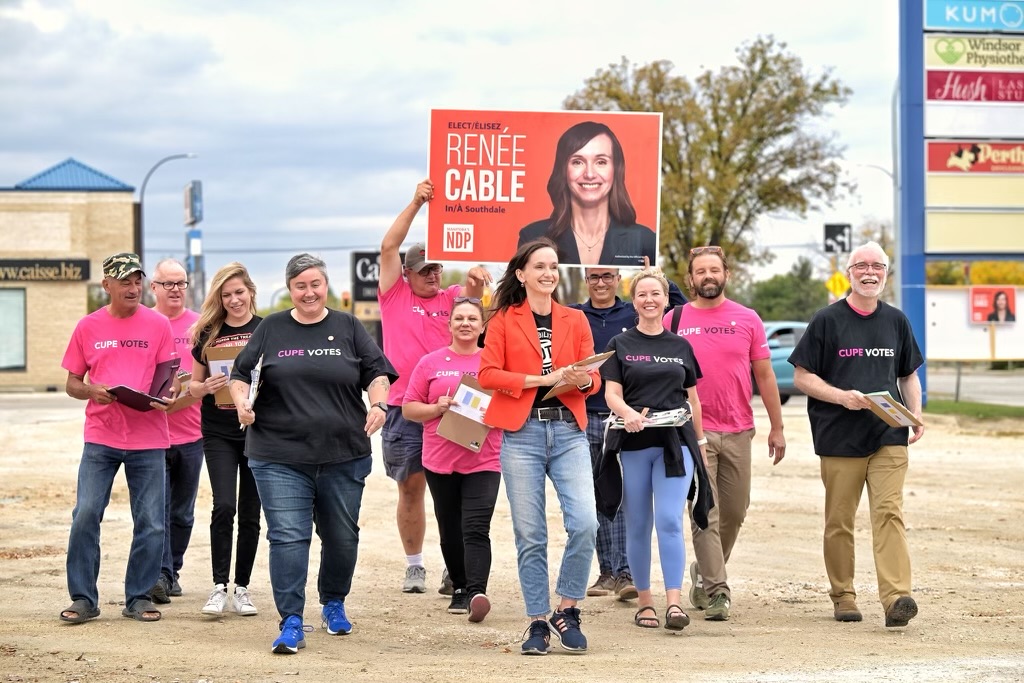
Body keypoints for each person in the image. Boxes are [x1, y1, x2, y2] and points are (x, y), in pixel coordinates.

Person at [230, 253, 396, 654]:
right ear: (290, 290)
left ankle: (333, 602)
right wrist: (241, 404)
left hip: (343, 454)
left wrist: (378, 405)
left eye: (315, 284)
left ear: (325, 286)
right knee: (288, 537)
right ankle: (291, 620)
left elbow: (377, 373)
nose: (309, 292)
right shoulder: (271, 328)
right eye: (300, 285)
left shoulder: (348, 325)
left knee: (342, 537)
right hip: (278, 454)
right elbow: (239, 375)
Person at [788, 241, 924, 628]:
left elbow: (908, 374)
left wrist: (914, 415)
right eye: (861, 266)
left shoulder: (896, 321)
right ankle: (843, 595)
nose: (870, 273)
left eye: (877, 266)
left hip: (888, 434)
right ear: (849, 273)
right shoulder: (827, 320)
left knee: (889, 513)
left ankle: (897, 597)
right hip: (839, 436)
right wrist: (840, 397)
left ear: (886, 273)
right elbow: (802, 376)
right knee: (840, 520)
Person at [478, 238, 601, 655]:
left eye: (554, 266)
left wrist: (581, 379)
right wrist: (540, 380)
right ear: (522, 274)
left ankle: (567, 609)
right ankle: (537, 622)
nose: (549, 273)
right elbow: (488, 374)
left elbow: (593, 378)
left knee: (586, 522)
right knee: (530, 534)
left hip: (569, 432)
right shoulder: (503, 320)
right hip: (522, 433)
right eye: (540, 266)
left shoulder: (575, 319)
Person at [663, 245, 786, 622]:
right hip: (692, 430)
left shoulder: (748, 318)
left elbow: (764, 375)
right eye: (700, 272)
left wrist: (777, 427)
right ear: (690, 279)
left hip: (738, 429)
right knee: (705, 512)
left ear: (726, 275)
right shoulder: (675, 319)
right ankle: (717, 591)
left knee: (735, 510)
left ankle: (705, 570)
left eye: (714, 270)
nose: (708, 277)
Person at [378, 179, 489, 595]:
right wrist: (416, 203)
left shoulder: (453, 299)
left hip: (456, 406)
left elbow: (475, 293)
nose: (433, 275)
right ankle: (414, 564)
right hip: (405, 406)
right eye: (424, 270)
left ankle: (455, 567)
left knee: (457, 488)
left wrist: (477, 277)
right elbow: (388, 247)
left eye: (437, 268)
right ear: (407, 273)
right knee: (411, 486)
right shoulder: (394, 295)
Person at [59, 252, 177, 624]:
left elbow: (167, 379)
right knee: (86, 515)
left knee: (152, 522)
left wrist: (167, 396)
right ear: (106, 285)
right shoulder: (87, 327)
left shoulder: (158, 325)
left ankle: (139, 597)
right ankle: (83, 599)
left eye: (137, 280)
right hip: (101, 437)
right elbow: (72, 383)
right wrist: (92, 391)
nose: (133, 287)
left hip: (148, 437)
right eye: (124, 281)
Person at [600, 267, 708, 631]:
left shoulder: (681, 346)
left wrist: (702, 443)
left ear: (666, 299)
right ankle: (645, 601)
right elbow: (611, 393)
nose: (649, 300)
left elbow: (693, 399)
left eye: (656, 294)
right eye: (642, 294)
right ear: (634, 300)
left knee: (668, 520)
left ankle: (674, 604)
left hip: (675, 446)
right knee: (639, 523)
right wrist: (629, 414)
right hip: (632, 444)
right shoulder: (620, 343)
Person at [572, 266, 686, 602]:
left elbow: (675, 305)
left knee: (630, 500)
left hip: (635, 422)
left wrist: (659, 276)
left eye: (607, 276)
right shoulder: (577, 314)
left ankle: (626, 573)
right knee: (602, 494)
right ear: (586, 280)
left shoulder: (632, 309)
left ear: (618, 279)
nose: (601, 282)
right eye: (594, 277)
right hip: (589, 413)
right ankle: (608, 570)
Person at [402, 297, 502, 623]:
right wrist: (437, 408)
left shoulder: (494, 362)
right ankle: (459, 587)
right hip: (440, 459)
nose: (465, 323)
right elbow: (408, 408)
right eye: (459, 318)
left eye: (472, 318)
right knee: (450, 528)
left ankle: (476, 592)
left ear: (482, 326)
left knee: (475, 527)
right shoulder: (430, 363)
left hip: (484, 458)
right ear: (449, 325)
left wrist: (495, 412)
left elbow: (513, 407)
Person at [187, 262, 263, 617]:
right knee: (224, 505)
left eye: (239, 292)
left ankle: (242, 587)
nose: (234, 300)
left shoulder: (267, 329)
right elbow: (192, 386)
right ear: (219, 298)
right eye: (227, 295)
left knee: (251, 511)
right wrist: (205, 387)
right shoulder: (208, 332)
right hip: (218, 430)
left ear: (250, 292)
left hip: (258, 430)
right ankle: (219, 585)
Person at [517, 121, 656, 267]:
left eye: (601, 162)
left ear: (616, 169)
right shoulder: (532, 237)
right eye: (578, 162)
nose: (589, 174)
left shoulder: (645, 240)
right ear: (563, 170)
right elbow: (517, 287)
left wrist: (654, 281)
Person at [147, 258, 204, 605]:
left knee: (181, 512)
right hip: (151, 434)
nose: (175, 290)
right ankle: (161, 575)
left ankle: (173, 570)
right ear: (153, 287)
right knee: (157, 510)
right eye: (168, 284)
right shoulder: (144, 323)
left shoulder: (200, 325)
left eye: (181, 283)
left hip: (192, 433)